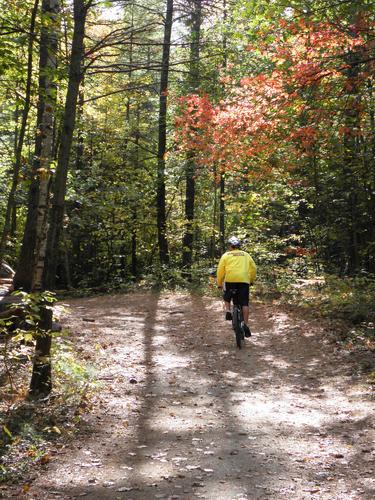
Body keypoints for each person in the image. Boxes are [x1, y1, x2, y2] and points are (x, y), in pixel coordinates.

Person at [217, 236, 256, 337]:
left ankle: (228, 310)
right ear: (239, 246)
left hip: (230, 280)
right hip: (244, 281)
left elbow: (220, 271)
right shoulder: (246, 255)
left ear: (230, 246)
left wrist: (219, 283)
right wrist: (251, 280)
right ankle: (246, 325)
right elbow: (253, 269)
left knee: (227, 294)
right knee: (244, 303)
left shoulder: (226, 255)